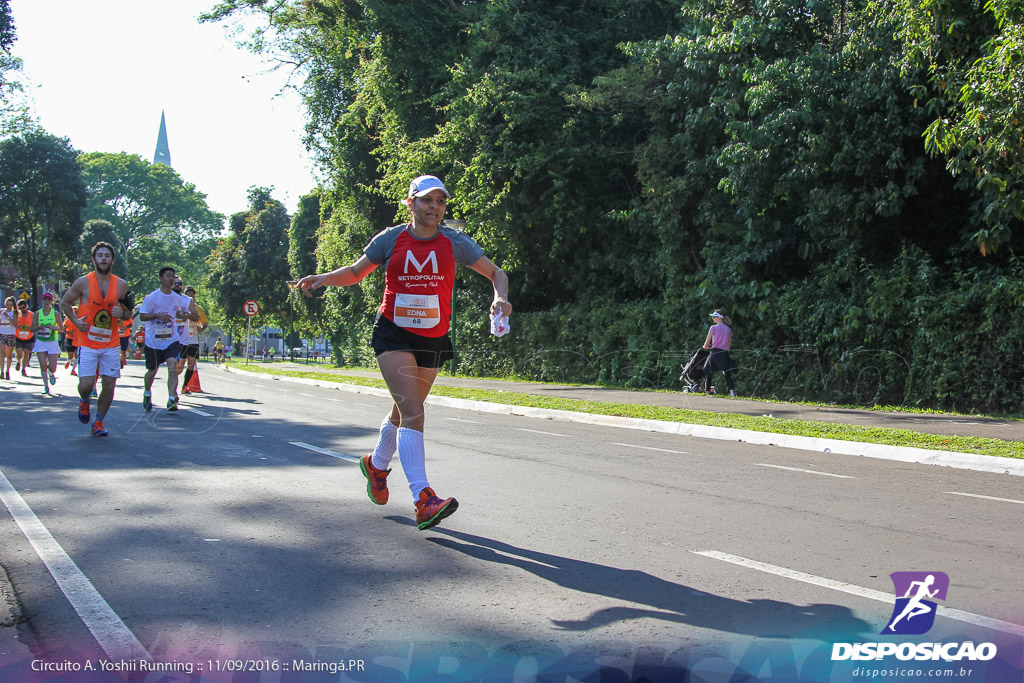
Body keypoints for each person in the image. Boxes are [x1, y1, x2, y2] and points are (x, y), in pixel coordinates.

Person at [296, 174, 512, 531]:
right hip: (393, 333)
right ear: (410, 203)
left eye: (441, 202)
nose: (435, 208)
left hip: (434, 337)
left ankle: (376, 465)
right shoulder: (391, 238)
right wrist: (322, 278)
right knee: (414, 411)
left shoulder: (455, 242)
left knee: (402, 410)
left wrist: (500, 298)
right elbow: (354, 272)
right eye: (427, 200)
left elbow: (496, 273)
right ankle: (423, 498)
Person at [60, 242, 132, 437]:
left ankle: (98, 422)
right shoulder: (83, 282)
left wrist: (122, 314)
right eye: (99, 255)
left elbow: (129, 312)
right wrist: (75, 321)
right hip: (87, 342)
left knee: (109, 384)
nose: (103, 259)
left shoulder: (122, 285)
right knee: (86, 385)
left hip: (111, 343)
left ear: (112, 260)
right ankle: (84, 402)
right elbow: (65, 302)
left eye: (107, 256)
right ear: (93, 259)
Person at [138, 267, 198, 412]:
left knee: (173, 365)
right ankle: (147, 393)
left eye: (173, 277)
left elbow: (177, 313)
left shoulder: (177, 298)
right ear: (160, 278)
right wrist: (158, 316)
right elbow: (143, 316)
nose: (171, 280)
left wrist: (182, 315)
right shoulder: (152, 297)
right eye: (168, 276)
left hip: (171, 339)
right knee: (152, 371)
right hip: (153, 341)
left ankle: (172, 399)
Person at [176, 285, 208, 394]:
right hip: (181, 339)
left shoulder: (198, 308)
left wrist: (201, 329)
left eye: (192, 293)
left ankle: (184, 387)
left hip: (193, 339)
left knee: (191, 364)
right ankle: (173, 383)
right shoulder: (179, 304)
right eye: (188, 293)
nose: (190, 295)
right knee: (179, 366)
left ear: (194, 295)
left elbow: (204, 322)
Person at [30, 293, 63, 395]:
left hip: (52, 341)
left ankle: (51, 373)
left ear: (51, 301)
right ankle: (46, 386)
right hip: (41, 341)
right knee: (43, 364)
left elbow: (62, 328)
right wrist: (40, 327)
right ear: (42, 300)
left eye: (49, 299)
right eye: (45, 299)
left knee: (52, 367)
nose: (47, 301)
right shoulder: (37, 313)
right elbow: (31, 329)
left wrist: (55, 328)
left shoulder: (55, 313)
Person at [703, 310, 737, 397]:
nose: (712, 318)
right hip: (724, 354)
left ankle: (707, 392)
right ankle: (732, 392)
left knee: (708, 371)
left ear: (719, 318)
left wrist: (707, 347)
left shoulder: (713, 328)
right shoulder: (728, 329)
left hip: (715, 353)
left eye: (714, 316)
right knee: (727, 373)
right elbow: (729, 346)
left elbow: (706, 344)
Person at [13, 298, 34, 376]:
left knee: (26, 353)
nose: (22, 310)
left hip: (29, 337)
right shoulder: (16, 314)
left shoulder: (31, 315)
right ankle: (19, 361)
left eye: (23, 308)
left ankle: (23, 369)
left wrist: (31, 328)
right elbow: (14, 324)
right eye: (20, 308)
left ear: (26, 306)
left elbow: (35, 324)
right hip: (18, 337)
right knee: (19, 352)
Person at [0, 296, 16, 380]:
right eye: (7, 304)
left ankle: (7, 371)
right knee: (2, 353)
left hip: (11, 334)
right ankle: (1, 371)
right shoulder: (1, 311)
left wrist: (8, 317)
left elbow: (15, 325)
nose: (8, 306)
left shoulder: (14, 313)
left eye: (10, 305)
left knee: (8, 354)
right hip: (2, 334)